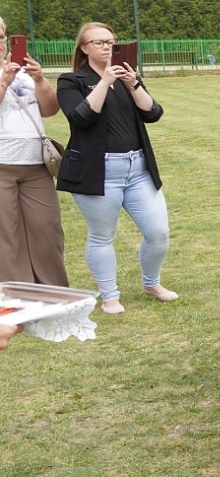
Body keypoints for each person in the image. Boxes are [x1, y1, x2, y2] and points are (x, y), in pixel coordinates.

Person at [56, 23, 175, 314]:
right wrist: (105, 82)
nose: (107, 47)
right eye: (99, 42)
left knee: (158, 233)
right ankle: (109, 296)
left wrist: (133, 83)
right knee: (101, 235)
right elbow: (81, 117)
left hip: (138, 169)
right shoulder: (70, 80)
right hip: (98, 170)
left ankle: (151, 283)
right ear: (84, 48)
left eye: (111, 42)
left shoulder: (125, 75)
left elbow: (153, 113)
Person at [1, 17, 68, 286]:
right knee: (6, 235)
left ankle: (54, 292)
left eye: (3, 35)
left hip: (35, 165)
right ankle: (13, 296)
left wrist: (39, 80)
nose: (0, 41)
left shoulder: (23, 70)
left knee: (47, 229)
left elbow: (50, 109)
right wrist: (5, 80)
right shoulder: (8, 73)